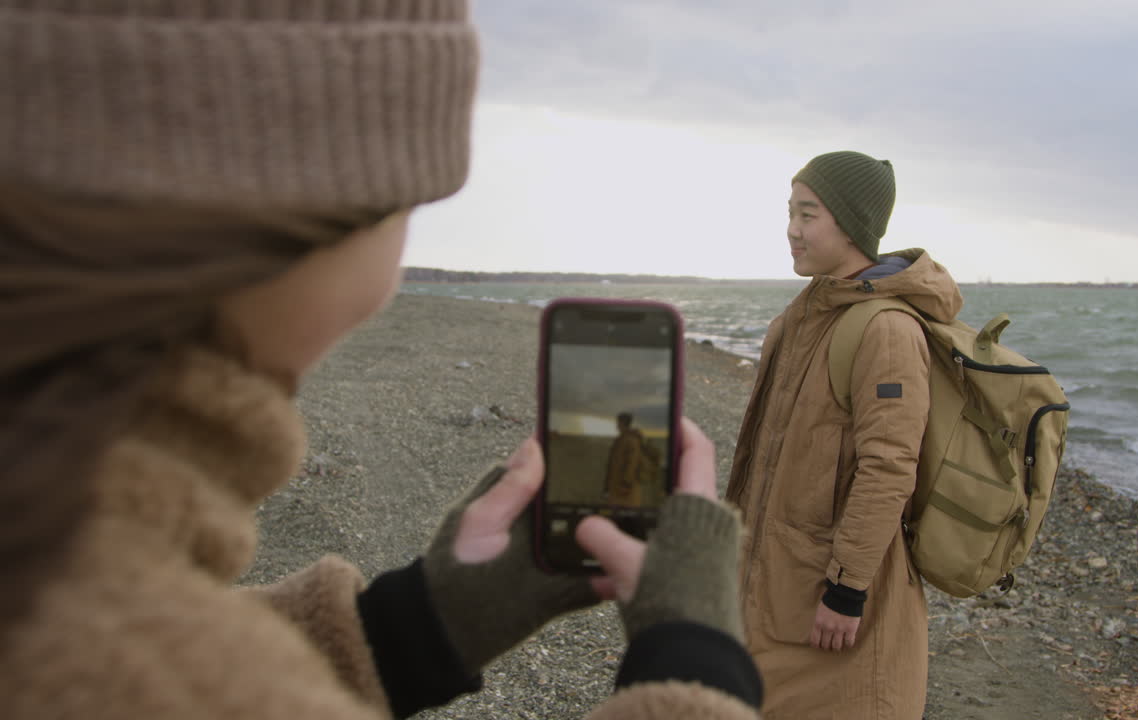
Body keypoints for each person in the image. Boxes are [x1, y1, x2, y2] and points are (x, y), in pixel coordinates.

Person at [0, 2, 762, 718]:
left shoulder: (52, 560)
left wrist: (417, 623)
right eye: (409, 205)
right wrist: (696, 658)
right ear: (301, 212)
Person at [725, 151, 964, 719]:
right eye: (790, 212)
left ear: (853, 225)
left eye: (808, 215)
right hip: (776, 589)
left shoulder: (886, 329)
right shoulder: (804, 315)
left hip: (835, 605)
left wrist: (847, 590)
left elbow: (890, 467)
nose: (792, 229)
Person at [604, 412, 655, 506]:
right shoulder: (622, 439)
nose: (617, 425)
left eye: (618, 422)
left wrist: (626, 484)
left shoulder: (631, 440)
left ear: (623, 423)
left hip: (625, 490)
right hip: (618, 487)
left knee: (626, 511)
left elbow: (632, 463)